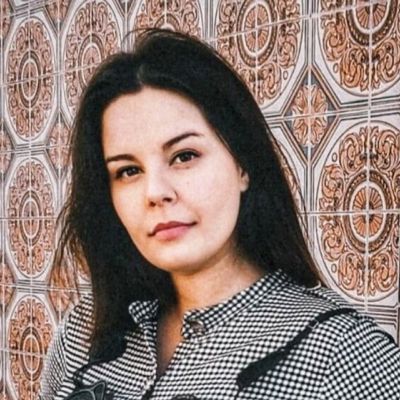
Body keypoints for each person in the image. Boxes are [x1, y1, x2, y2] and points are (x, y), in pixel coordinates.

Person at [39, 29, 400, 400]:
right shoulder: (82, 336)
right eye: (128, 171)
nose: (156, 192)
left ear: (242, 164)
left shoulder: (342, 356)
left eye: (184, 156)